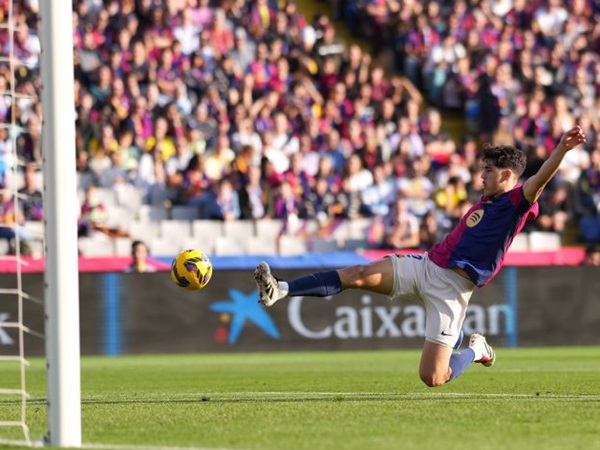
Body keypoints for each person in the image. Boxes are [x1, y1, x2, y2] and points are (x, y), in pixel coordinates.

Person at [253, 126, 586, 387]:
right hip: (426, 266)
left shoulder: (516, 203)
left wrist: (562, 149)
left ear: (506, 175)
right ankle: (279, 289)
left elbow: (540, 179)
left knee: (433, 377)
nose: (481, 175)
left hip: (452, 291)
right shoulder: (485, 200)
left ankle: (476, 349)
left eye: (488, 170)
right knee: (356, 273)